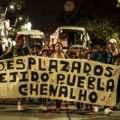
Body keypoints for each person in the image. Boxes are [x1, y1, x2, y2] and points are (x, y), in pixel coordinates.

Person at [0, 34, 30, 111]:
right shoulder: (13, 49)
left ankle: (21, 104)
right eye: (22, 40)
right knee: (17, 87)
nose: (24, 41)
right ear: (17, 41)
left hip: (25, 72)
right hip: (16, 72)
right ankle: (19, 104)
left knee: (24, 88)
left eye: (24, 40)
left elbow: (30, 58)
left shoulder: (26, 49)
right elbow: (6, 55)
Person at [91, 40, 113, 115]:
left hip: (106, 77)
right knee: (97, 90)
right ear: (100, 47)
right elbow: (91, 64)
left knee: (106, 91)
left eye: (106, 48)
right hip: (97, 76)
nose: (105, 49)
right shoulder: (95, 54)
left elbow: (112, 65)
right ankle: (96, 105)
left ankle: (106, 107)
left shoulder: (109, 54)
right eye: (104, 48)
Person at [50, 42, 68, 112]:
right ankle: (57, 104)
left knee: (60, 91)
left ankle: (58, 105)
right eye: (56, 46)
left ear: (61, 48)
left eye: (59, 46)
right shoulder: (52, 56)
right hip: (54, 76)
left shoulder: (65, 56)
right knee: (55, 91)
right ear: (54, 48)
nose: (58, 47)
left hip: (62, 76)